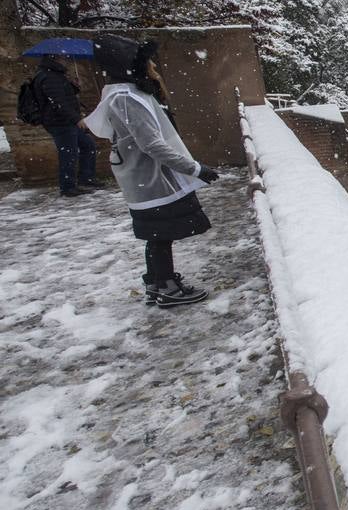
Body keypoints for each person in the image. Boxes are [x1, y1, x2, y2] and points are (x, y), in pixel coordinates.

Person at [84, 36, 219, 308]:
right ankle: (167, 287)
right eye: (148, 62)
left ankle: (158, 282)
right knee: (160, 234)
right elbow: (152, 144)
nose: (154, 67)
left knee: (157, 234)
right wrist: (195, 169)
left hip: (142, 177)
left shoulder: (121, 94)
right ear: (133, 65)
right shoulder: (126, 99)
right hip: (150, 179)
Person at [32, 55, 100, 197]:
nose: (67, 60)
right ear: (55, 59)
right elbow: (58, 103)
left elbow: (64, 96)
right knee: (68, 153)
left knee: (88, 146)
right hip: (60, 122)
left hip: (65, 121)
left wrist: (74, 86)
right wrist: (77, 119)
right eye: (64, 57)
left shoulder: (55, 75)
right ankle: (67, 187)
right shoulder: (49, 77)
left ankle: (86, 179)